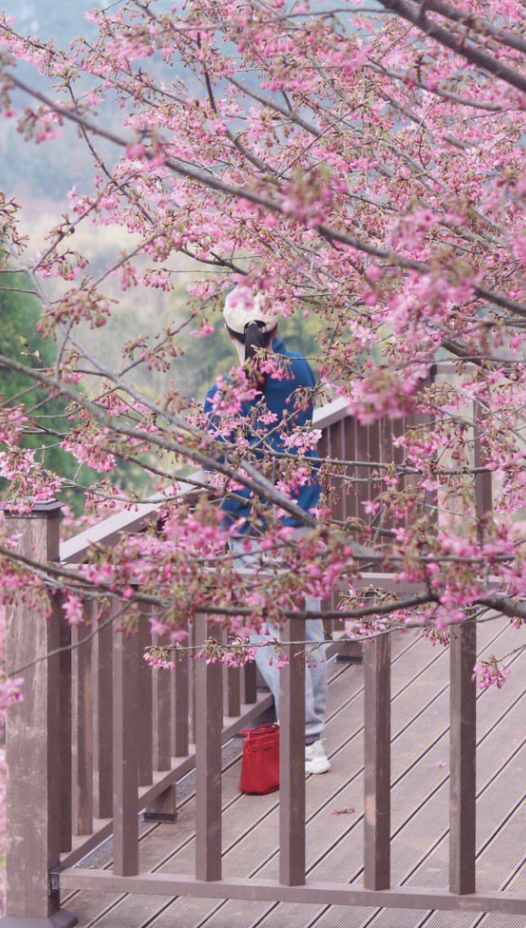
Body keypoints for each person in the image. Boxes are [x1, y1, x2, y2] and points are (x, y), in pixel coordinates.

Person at [203, 287, 330, 776]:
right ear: (275, 330)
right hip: (300, 518)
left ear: (230, 334)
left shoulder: (224, 393)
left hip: (250, 527)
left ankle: (301, 736)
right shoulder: (300, 369)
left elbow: (216, 465)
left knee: (265, 634)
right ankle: (312, 738)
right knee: (308, 629)